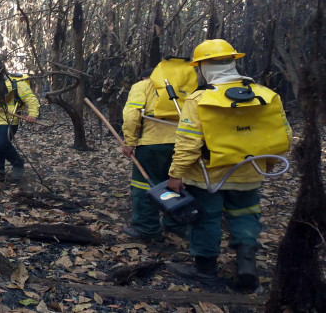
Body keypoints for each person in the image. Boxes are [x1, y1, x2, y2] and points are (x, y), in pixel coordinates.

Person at [167, 39, 292, 292]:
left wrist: (175, 174)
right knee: (245, 216)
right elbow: (284, 136)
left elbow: (188, 143)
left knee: (206, 219)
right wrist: (266, 160)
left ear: (202, 67)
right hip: (248, 172)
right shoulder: (266, 95)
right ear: (233, 61)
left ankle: (206, 273)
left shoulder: (199, 99)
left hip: (207, 177)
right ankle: (247, 267)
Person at [121, 68, 186, 241]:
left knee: (144, 186)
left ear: (146, 76)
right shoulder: (184, 86)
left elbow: (131, 115)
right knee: (175, 183)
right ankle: (176, 224)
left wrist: (130, 141)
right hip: (183, 144)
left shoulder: (143, 86)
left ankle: (147, 229)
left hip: (152, 145)